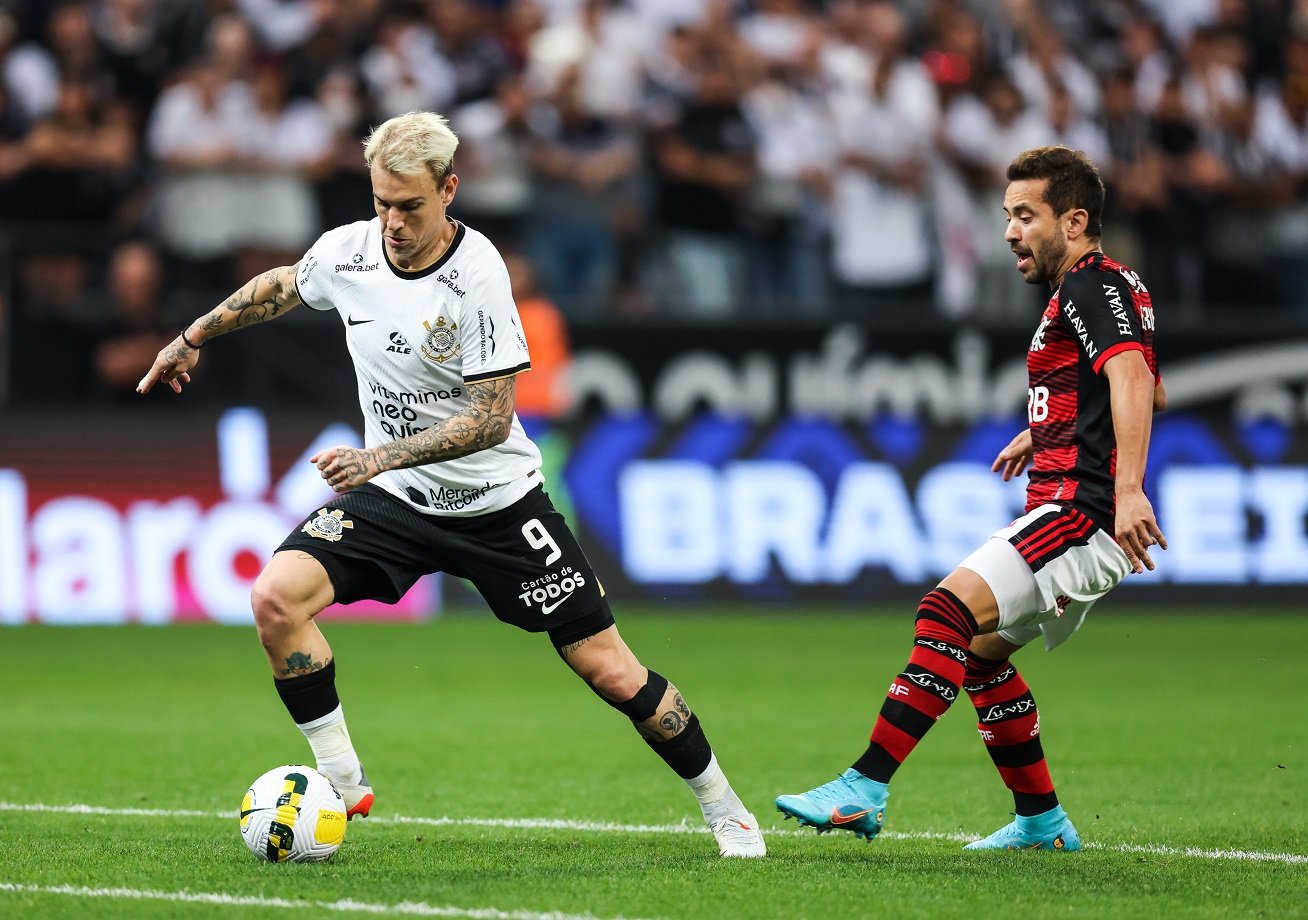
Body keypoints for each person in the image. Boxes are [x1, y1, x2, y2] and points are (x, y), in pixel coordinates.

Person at [136, 110, 766, 859]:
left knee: (611, 669)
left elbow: (492, 419)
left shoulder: (479, 273)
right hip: (399, 501)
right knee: (276, 599)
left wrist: (377, 458)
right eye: (381, 203)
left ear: (449, 189)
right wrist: (190, 337)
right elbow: (280, 286)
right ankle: (341, 781)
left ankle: (726, 809)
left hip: (497, 506)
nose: (392, 222)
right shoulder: (350, 252)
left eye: (409, 205)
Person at [776, 145, 1166, 851]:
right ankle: (1043, 823)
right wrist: (1044, 427)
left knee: (944, 610)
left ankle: (863, 788)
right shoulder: (1114, 288)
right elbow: (1143, 384)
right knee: (982, 659)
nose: (1011, 232)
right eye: (1007, 216)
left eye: (1026, 216)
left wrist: (1130, 489)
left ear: (1074, 221)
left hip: (1083, 513)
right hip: (1076, 505)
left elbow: (1135, 380)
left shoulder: (1088, 285)